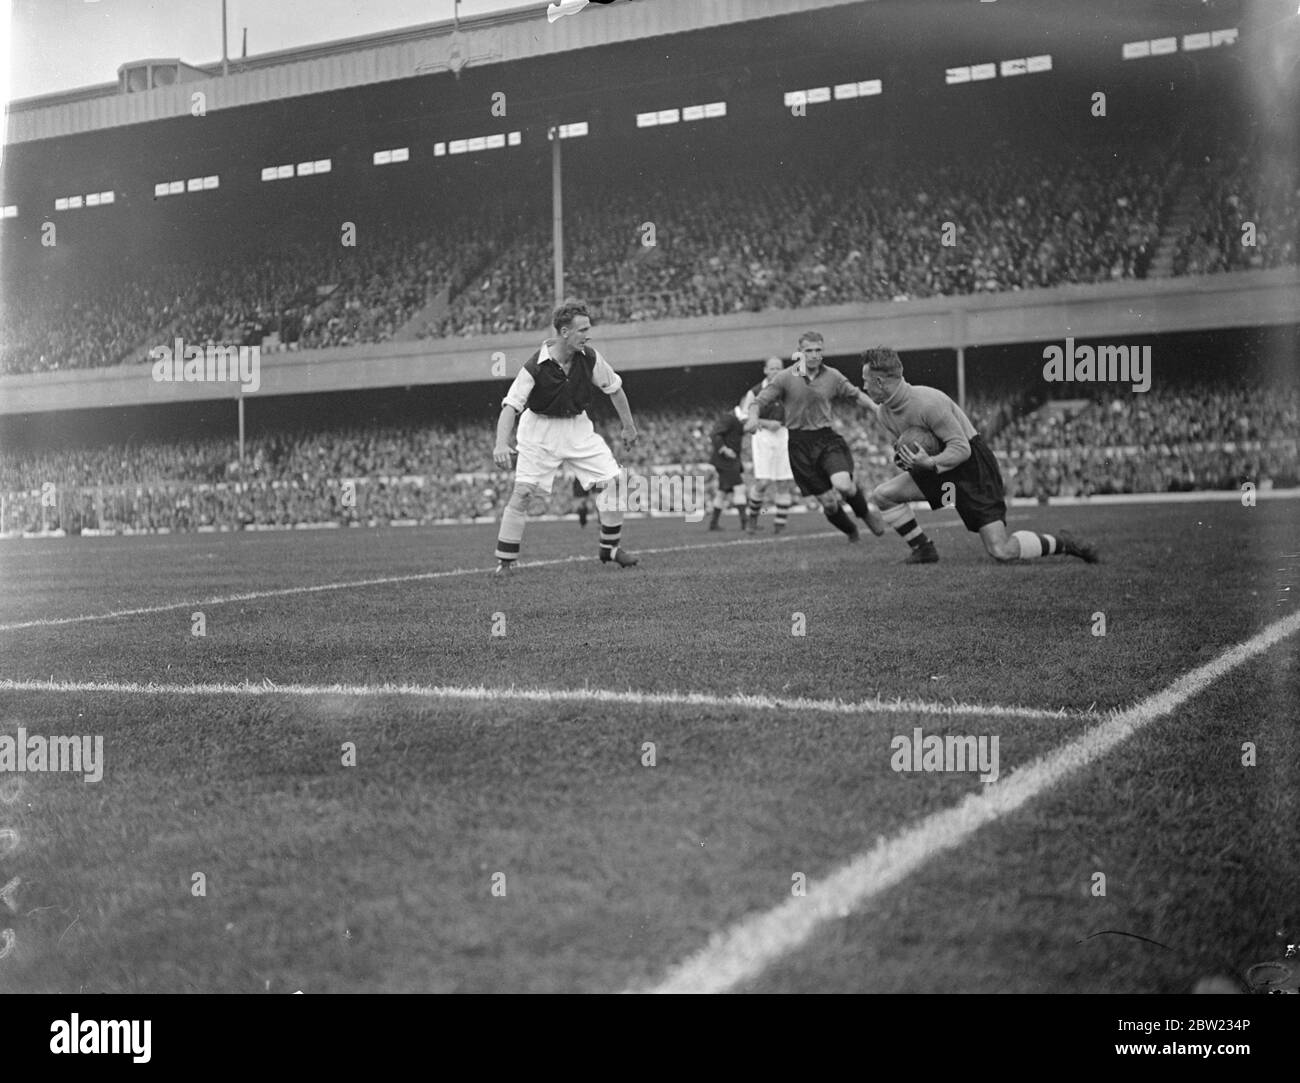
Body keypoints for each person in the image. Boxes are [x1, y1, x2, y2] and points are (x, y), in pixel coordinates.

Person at [861, 346, 1099, 565]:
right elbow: (907, 450)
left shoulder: (928, 402)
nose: (863, 387)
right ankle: (923, 549)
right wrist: (905, 459)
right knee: (883, 496)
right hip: (938, 469)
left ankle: (1064, 543)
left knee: (1001, 551)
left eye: (865, 381)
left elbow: (962, 449)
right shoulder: (884, 414)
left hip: (971, 468)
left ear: (880, 381)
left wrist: (929, 462)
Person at [491, 299, 639, 573]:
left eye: (588, 329)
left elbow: (615, 389)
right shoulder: (535, 366)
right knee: (523, 493)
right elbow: (510, 406)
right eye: (582, 329)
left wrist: (628, 427)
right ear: (564, 332)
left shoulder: (591, 358)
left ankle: (610, 549)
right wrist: (501, 443)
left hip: (577, 427)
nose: (587, 335)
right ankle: (506, 563)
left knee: (616, 484)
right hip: (539, 430)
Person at [747, 331, 886, 542]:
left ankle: (865, 514)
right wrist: (752, 418)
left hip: (826, 439)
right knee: (829, 502)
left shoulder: (833, 376)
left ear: (823, 351)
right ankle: (851, 531)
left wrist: (876, 409)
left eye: (818, 350)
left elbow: (856, 395)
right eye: (808, 350)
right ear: (800, 352)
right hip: (799, 444)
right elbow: (758, 402)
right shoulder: (785, 377)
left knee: (843, 485)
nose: (813, 355)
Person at [739, 356, 796, 533]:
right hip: (763, 436)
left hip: (784, 435)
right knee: (763, 482)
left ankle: (779, 526)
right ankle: (752, 519)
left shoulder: (789, 390)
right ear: (765, 370)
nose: (775, 371)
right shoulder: (755, 391)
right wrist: (765, 423)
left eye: (778, 368)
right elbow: (743, 416)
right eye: (772, 368)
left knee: (783, 482)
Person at [707, 406, 748, 531]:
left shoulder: (736, 419)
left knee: (722, 492)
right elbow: (715, 434)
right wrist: (724, 449)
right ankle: (745, 523)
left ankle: (713, 523)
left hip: (727, 461)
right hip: (726, 461)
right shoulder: (729, 418)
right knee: (739, 488)